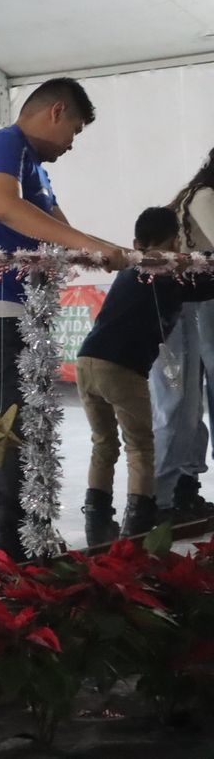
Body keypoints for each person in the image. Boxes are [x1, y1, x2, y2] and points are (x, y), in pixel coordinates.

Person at [0, 78, 126, 557]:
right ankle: (12, 548)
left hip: (14, 308)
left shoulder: (35, 169)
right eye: (75, 131)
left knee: (14, 422)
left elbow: (61, 231)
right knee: (18, 426)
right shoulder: (3, 144)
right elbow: (4, 207)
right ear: (55, 111)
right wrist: (94, 247)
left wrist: (108, 251)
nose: (71, 144)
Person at [75, 207, 214, 545]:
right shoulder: (169, 272)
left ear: (135, 241)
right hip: (122, 370)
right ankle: (137, 529)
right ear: (177, 241)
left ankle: (97, 529)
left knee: (103, 445)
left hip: (86, 363)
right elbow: (206, 286)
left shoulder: (131, 268)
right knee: (140, 448)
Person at [152, 148, 214, 521]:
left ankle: (183, 487)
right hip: (191, 308)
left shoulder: (198, 194)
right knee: (179, 403)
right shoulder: (205, 197)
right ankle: (163, 497)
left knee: (185, 404)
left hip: (197, 308)